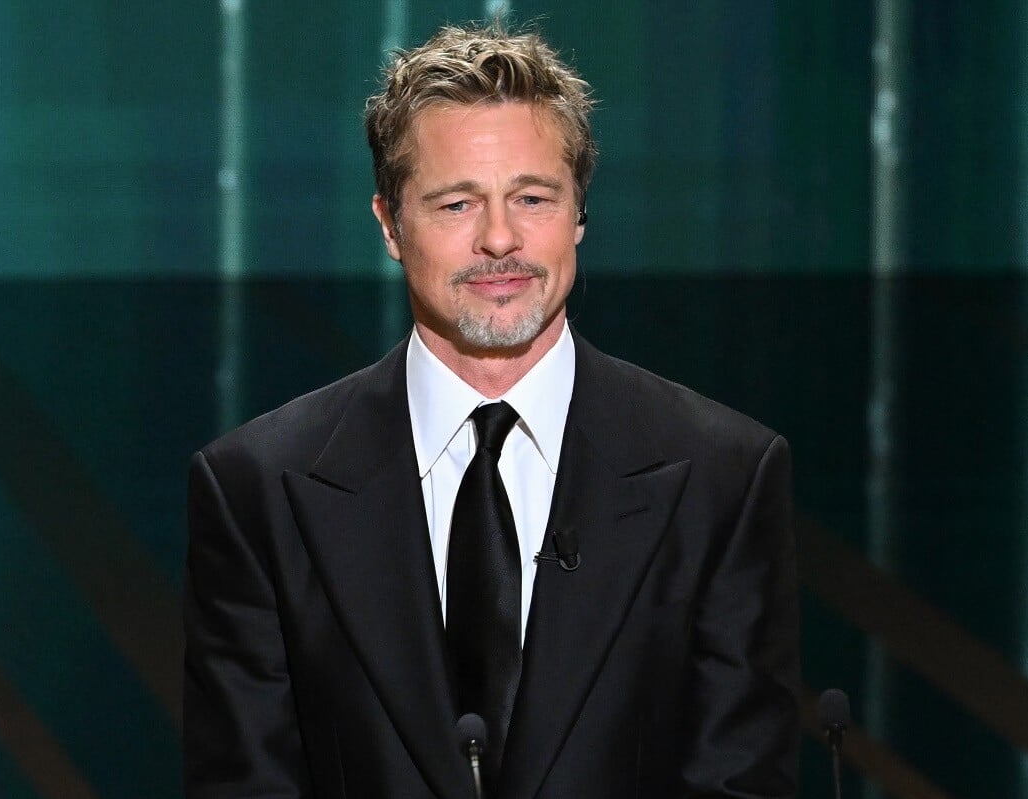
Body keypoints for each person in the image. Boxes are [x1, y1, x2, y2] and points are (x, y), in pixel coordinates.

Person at [184, 22, 800, 799]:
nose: (500, 238)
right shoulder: (255, 488)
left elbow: (741, 781)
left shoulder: (725, 476)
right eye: (455, 204)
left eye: (533, 198)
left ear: (579, 214)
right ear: (389, 224)